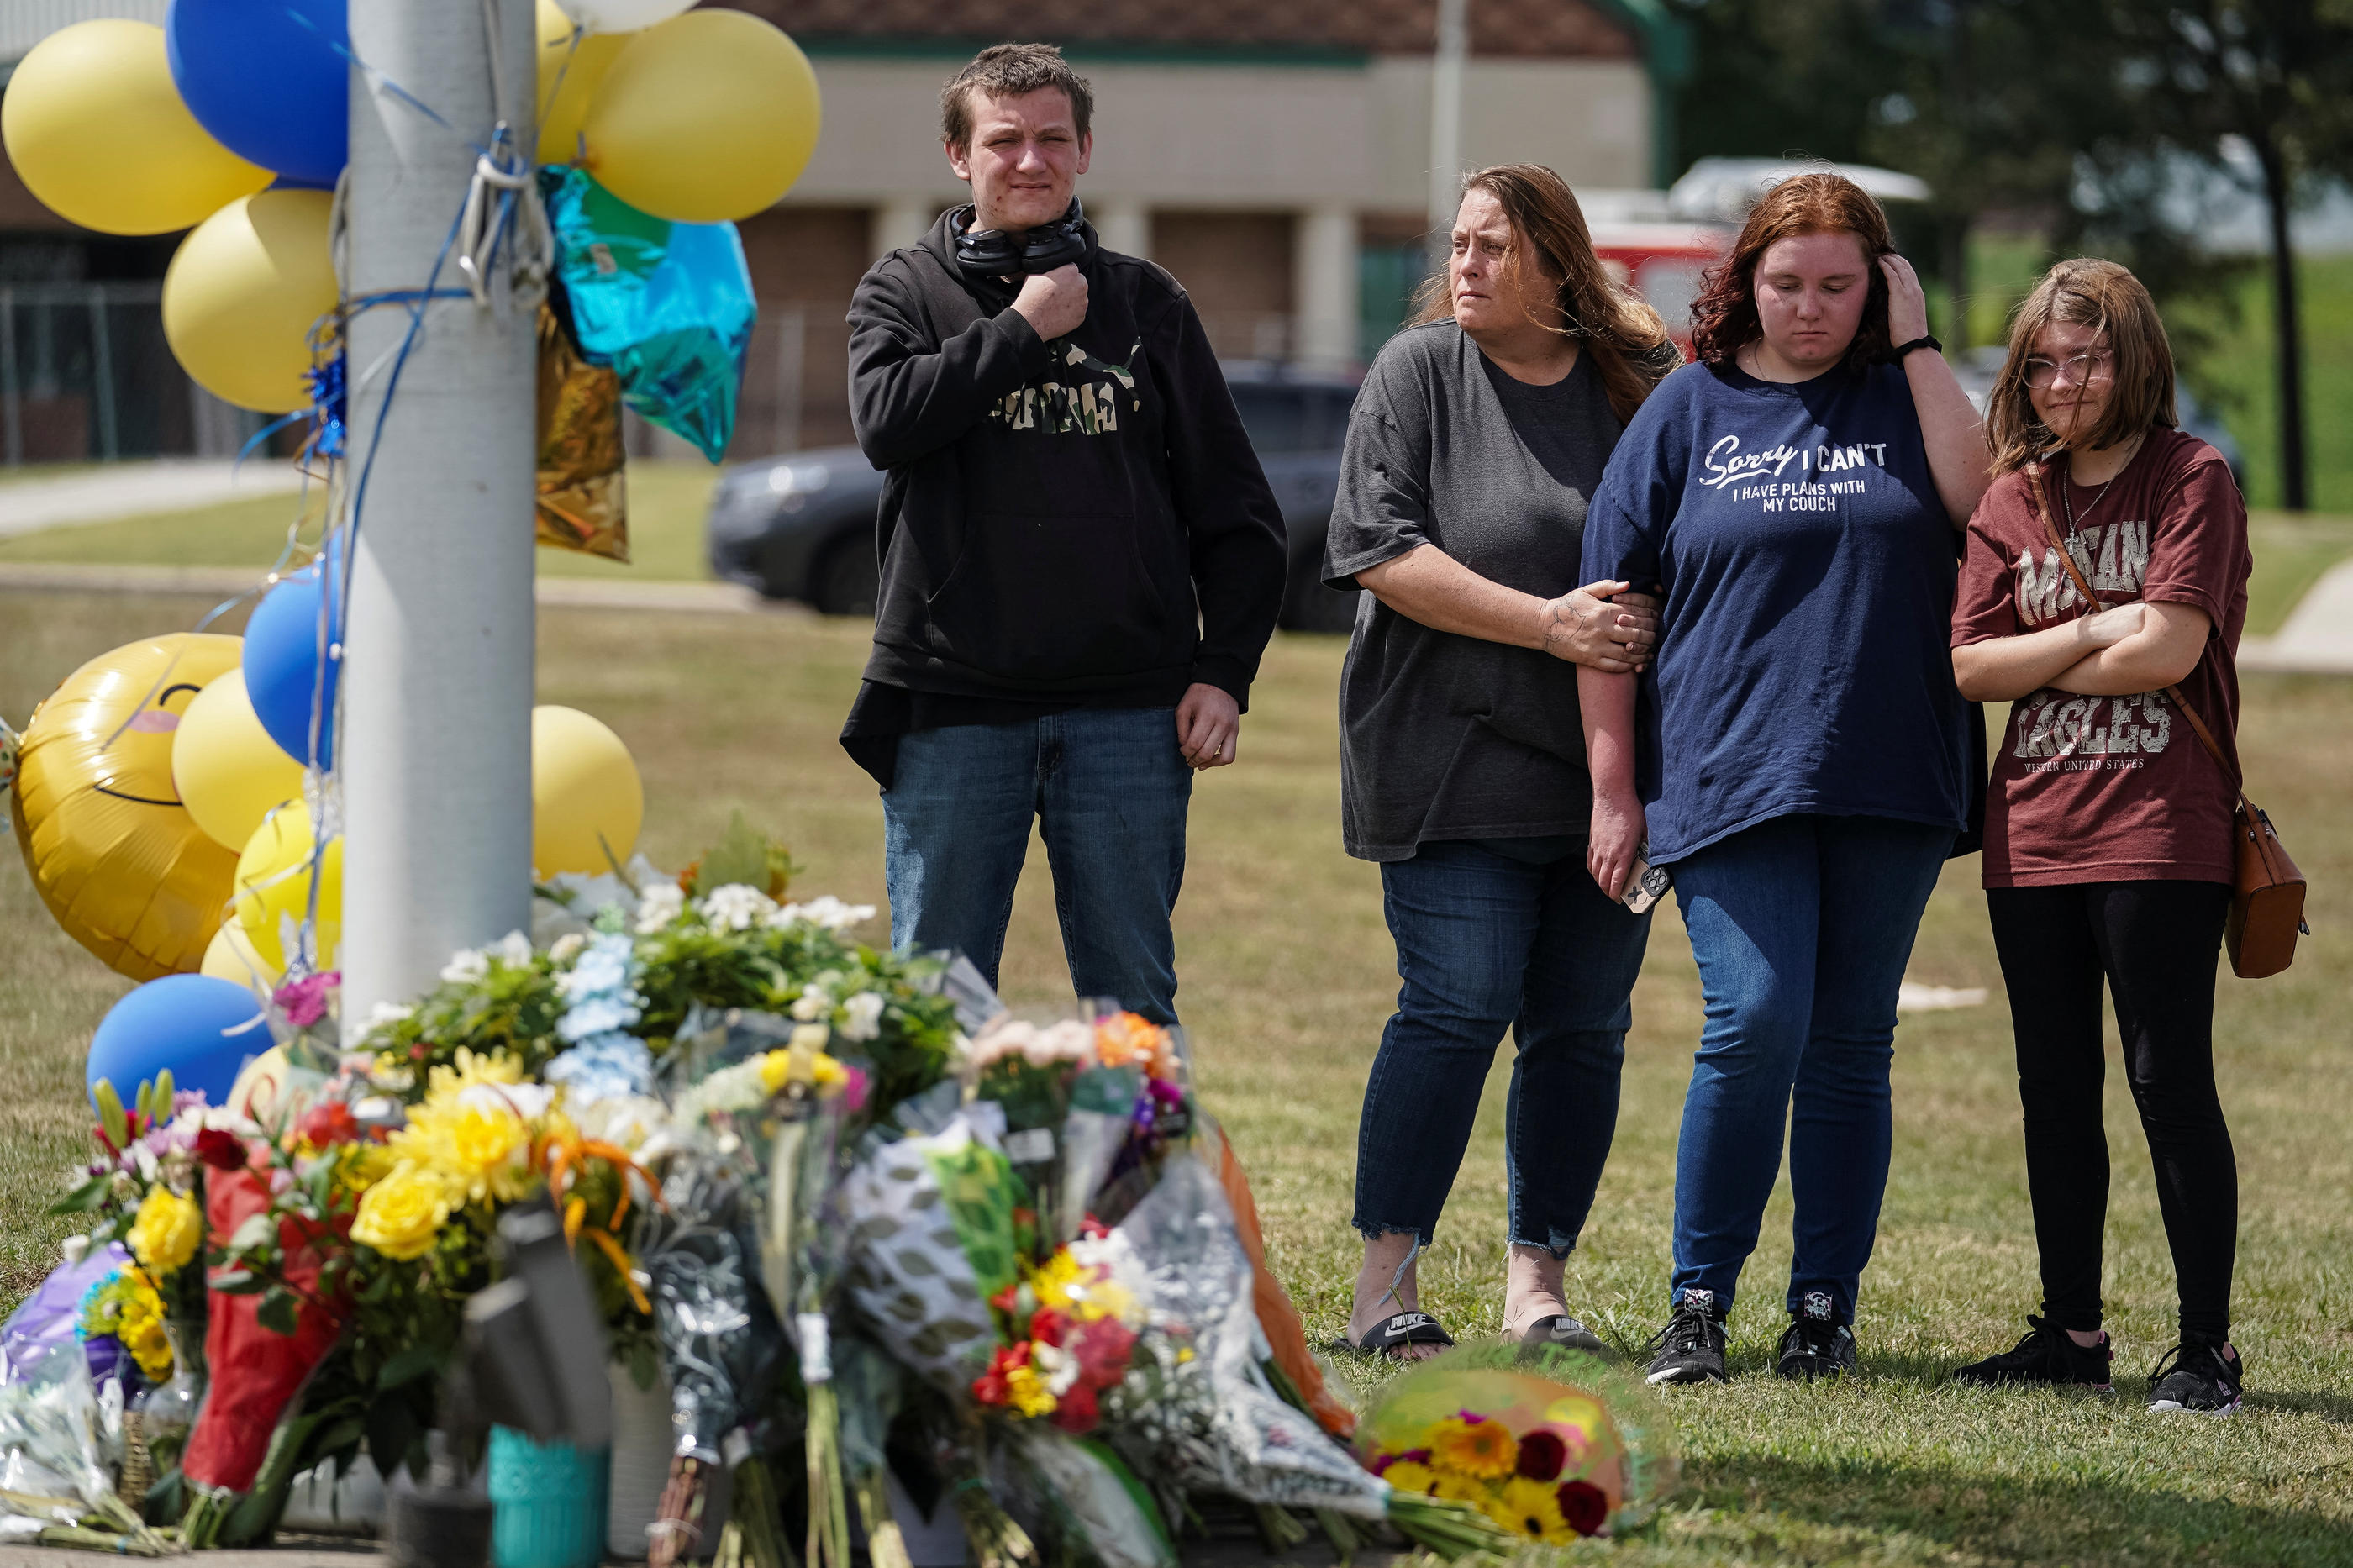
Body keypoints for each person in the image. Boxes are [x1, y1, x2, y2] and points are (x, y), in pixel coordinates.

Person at [1577, 171, 1990, 1384]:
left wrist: (1914, 341)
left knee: (1854, 1041)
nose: (1809, 307)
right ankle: (1697, 1300)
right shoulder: (1688, 407)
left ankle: (1823, 1309)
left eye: (1839, 285)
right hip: (1724, 767)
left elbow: (1981, 504)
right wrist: (1614, 788)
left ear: (1877, 288)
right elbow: (1611, 610)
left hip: (1891, 764)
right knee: (1754, 1019)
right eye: (1786, 281)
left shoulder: (1902, 394)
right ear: (1744, 277)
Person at [838, 44, 1287, 1024]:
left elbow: (1239, 517)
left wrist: (1224, 670)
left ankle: (1142, 1184)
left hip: (1127, 712)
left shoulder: (1148, 302)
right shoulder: (901, 290)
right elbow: (889, 425)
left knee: (1130, 1005)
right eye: (1003, 141)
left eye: (1051, 139)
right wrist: (1024, 329)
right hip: (950, 705)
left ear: (1084, 150)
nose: (1029, 161)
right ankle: (932, 1184)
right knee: (932, 1005)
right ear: (960, 156)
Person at [1323, 165, 1679, 1360]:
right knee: (1458, 1003)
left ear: (1556, 263)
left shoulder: (1639, 389)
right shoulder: (1418, 372)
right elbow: (1378, 549)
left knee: (1584, 1024)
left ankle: (1539, 1285)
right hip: (1445, 761)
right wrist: (1550, 624)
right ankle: (1386, 1284)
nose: (1465, 265)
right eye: (1460, 244)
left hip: (1606, 776)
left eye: (1493, 247)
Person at [1945, 260, 2251, 1413]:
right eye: (2045, 362)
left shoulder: (2193, 478)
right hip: (2033, 829)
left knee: (2168, 1082)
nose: (2064, 381)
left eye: (2090, 357)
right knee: (2054, 1086)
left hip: (2161, 827)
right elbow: (1971, 665)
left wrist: (2067, 640)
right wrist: (2102, 621)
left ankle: (2207, 1348)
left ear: (2137, 359)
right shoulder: (2011, 498)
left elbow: (2171, 651)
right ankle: (2072, 1329)